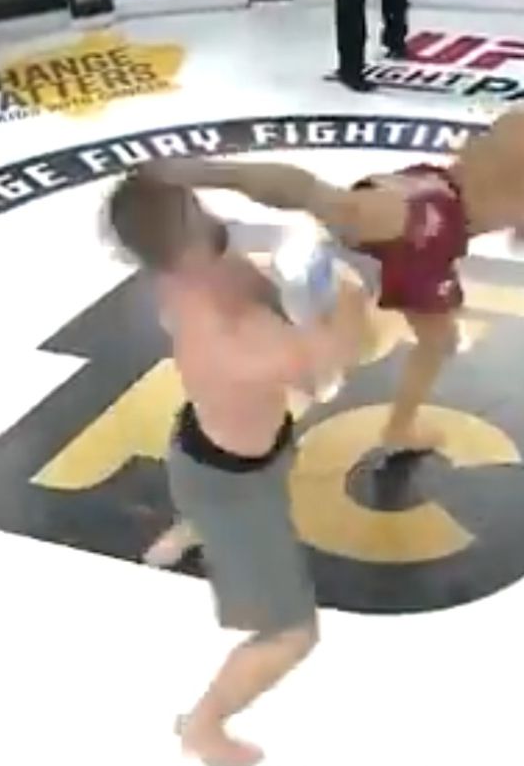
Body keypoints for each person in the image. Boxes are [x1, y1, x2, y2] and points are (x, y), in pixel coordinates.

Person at [139, 37, 524, 456]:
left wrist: (520, 214)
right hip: (434, 208)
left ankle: (396, 423)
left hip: (443, 221)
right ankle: (210, 176)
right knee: (337, 205)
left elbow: (516, 174)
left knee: (438, 340)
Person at [103, 174, 367, 766]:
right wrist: (344, 297)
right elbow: (324, 371)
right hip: (230, 482)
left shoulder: (194, 274)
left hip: (227, 444)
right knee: (291, 634)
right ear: (183, 245)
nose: (213, 220)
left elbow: (267, 290)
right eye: (196, 215)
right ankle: (203, 727)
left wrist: (302, 277)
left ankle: (194, 524)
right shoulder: (221, 335)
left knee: (261, 455)